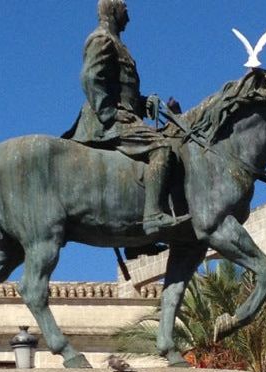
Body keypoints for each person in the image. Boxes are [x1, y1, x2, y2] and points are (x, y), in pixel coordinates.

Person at [64, 0, 188, 235]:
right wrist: (109, 114)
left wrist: (143, 102)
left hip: (125, 117)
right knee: (161, 148)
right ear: (112, 10)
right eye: (125, 9)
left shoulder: (118, 43)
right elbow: (90, 78)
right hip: (107, 122)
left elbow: (120, 89)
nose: (128, 14)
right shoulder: (101, 39)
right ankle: (152, 215)